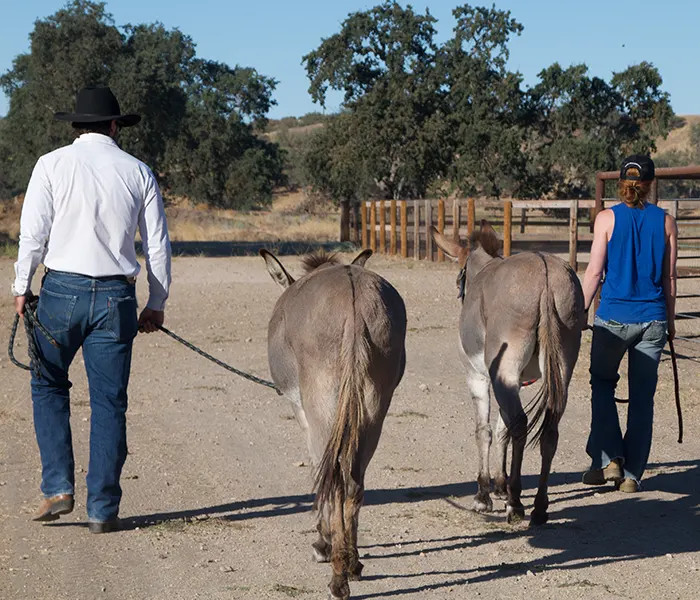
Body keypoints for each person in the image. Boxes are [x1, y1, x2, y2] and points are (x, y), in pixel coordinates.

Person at [11, 86, 171, 532]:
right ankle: (102, 509)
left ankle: (58, 488)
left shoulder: (51, 164)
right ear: (115, 126)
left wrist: (21, 286)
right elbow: (156, 245)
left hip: (61, 292)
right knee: (109, 404)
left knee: (47, 385)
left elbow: (33, 235)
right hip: (117, 298)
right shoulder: (138, 171)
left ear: (77, 126)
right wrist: (156, 302)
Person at [581, 154, 677, 492]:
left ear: (622, 183)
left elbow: (594, 272)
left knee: (602, 384)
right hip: (653, 320)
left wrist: (579, 311)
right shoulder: (666, 222)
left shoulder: (606, 219)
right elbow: (669, 277)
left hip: (612, 320)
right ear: (650, 185)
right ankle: (632, 475)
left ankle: (610, 460)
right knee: (642, 399)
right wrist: (671, 319)